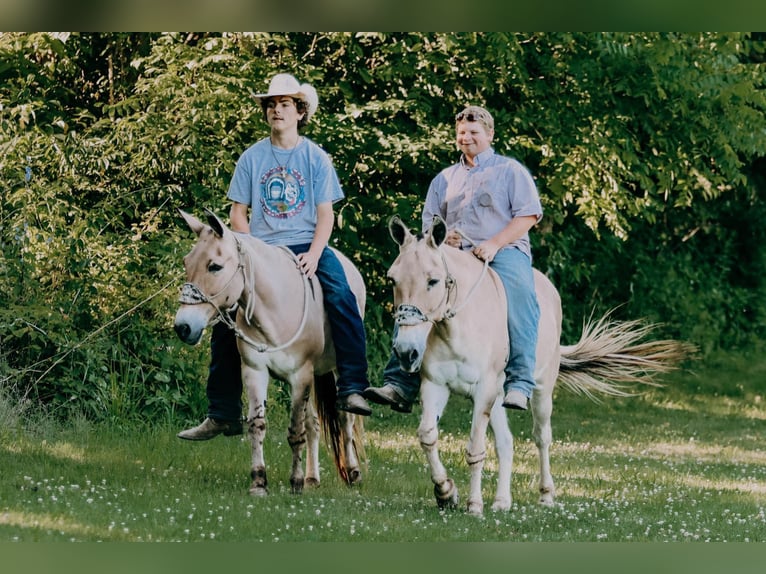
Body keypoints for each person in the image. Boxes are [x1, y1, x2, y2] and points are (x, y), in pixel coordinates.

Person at [178, 73, 372, 440]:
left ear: (300, 112)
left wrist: (316, 254)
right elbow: (238, 214)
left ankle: (353, 385)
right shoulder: (252, 158)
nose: (276, 111)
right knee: (223, 313)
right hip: (262, 249)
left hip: (304, 245)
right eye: (271, 105)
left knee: (343, 296)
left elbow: (326, 214)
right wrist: (251, 251)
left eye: (284, 105)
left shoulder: (315, 157)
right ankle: (222, 412)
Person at [364, 105, 542, 413]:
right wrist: (443, 241)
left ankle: (519, 383)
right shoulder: (444, 179)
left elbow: (528, 216)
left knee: (522, 296)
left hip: (503, 252)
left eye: (474, 132)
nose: (467, 138)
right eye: (462, 133)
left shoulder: (509, 171)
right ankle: (399, 384)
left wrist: (494, 243)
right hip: (453, 256)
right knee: (414, 291)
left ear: (490, 135)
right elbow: (429, 226)